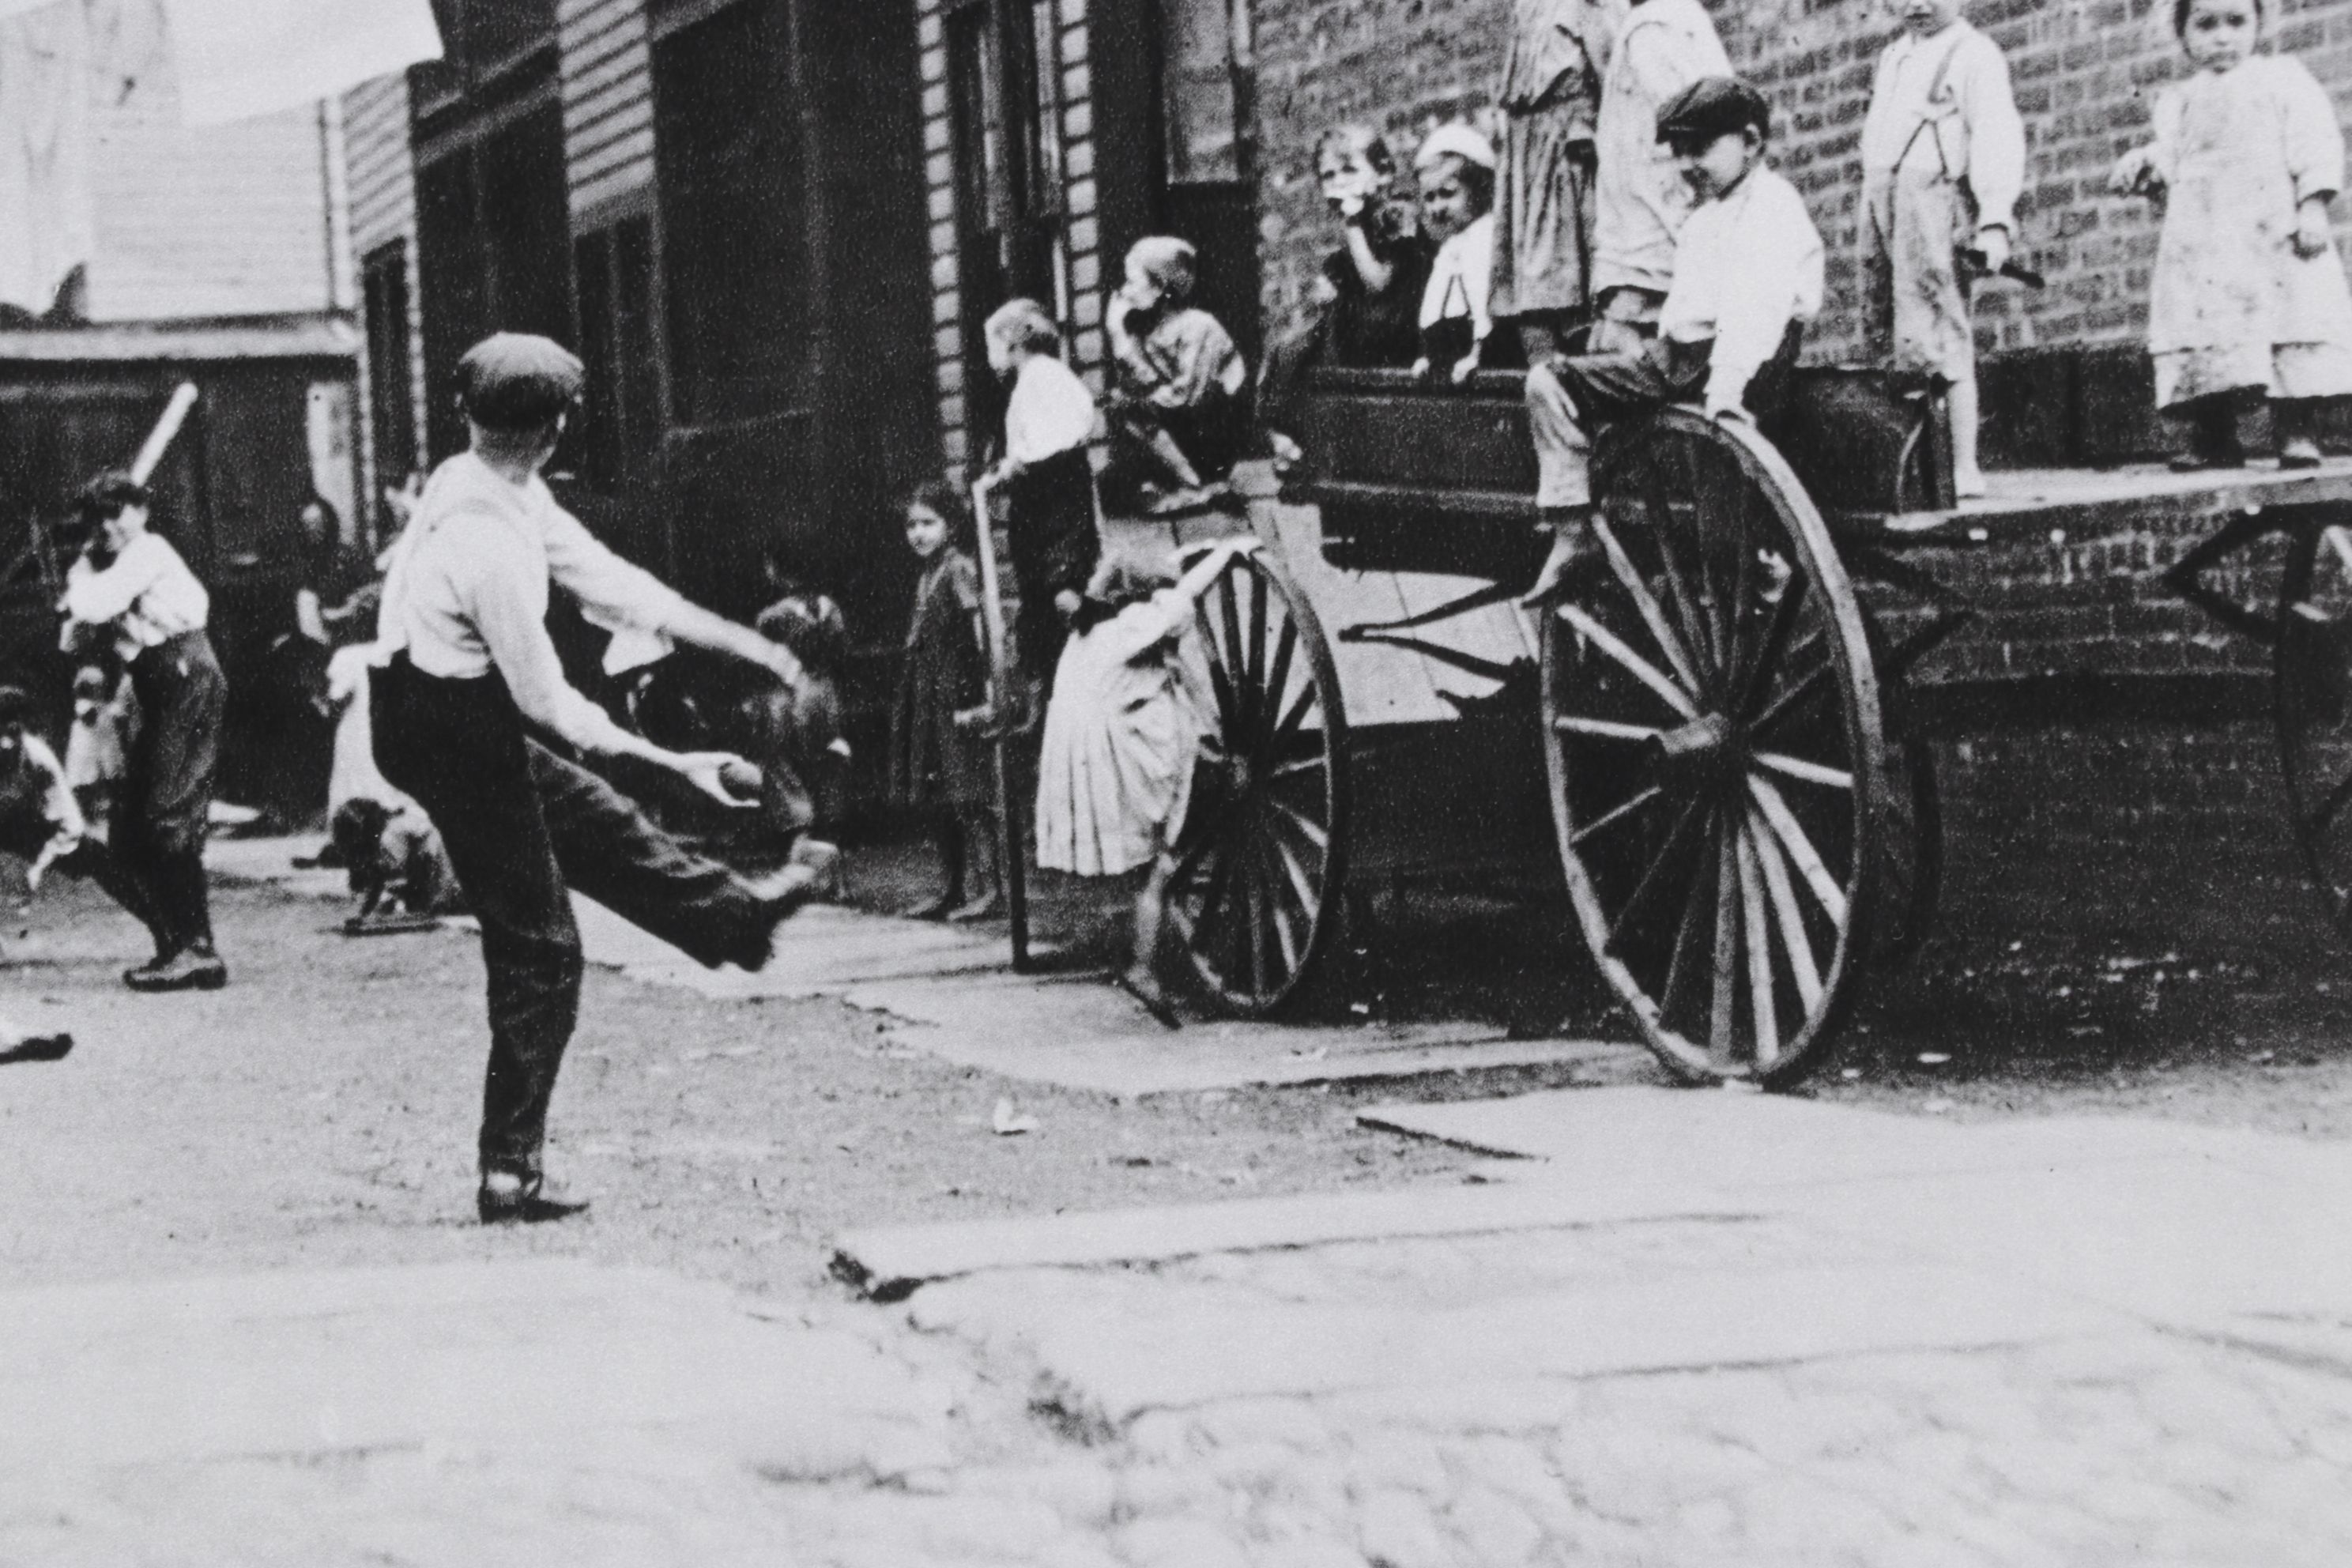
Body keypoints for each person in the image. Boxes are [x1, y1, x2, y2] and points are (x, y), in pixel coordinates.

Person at [370, 332, 825, 1225]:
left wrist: (754, 646)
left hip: (439, 710)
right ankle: (509, 1171)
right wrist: (676, 761)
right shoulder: (485, 538)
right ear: (559, 427)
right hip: (445, 728)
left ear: (470, 416)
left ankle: (738, 919)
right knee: (542, 946)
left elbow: (614, 584)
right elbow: (552, 707)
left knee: (598, 820)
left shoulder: (490, 481)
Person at [1520, 76, 1825, 603]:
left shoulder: (1772, 208)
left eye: (1700, 149)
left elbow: (1754, 312)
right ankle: (1574, 529)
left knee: (1720, 488)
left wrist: (1726, 391)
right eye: (1679, 152)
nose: (1687, 165)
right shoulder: (1705, 219)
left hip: (1745, 365)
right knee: (1549, 382)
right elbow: (1685, 308)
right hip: (1680, 359)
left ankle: (1756, 567)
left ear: (1751, 142)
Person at [2111, 0, 2352, 470]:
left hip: (2270, 233)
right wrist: (2144, 166)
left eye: (2236, 22)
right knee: (2207, 327)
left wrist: (2312, 206)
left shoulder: (2282, 78)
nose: (2222, 37)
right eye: (2205, 24)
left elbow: (2315, 139)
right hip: (2207, 238)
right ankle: (2215, 436)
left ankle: (2296, 430)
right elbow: (2170, 159)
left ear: (2258, 23)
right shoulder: (2177, 100)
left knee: (2290, 320)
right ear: (2182, 33)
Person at [1035, 541, 1246, 1027]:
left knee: (1151, 869)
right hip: (1122, 765)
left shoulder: (1088, 632)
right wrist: (1229, 551)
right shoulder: (1128, 629)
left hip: (1098, 766)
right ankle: (1144, 967)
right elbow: (1184, 594)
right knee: (1160, 867)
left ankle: (1160, 958)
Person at [58, 473, 232, 991]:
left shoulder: (148, 551)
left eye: (118, 512)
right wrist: (84, 574)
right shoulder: (111, 567)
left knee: (168, 814)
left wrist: (83, 574)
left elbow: (89, 608)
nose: (109, 525)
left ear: (141, 511)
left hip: (187, 677)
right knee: (130, 828)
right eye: (100, 517)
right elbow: (72, 639)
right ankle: (174, 943)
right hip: (155, 686)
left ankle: (197, 950)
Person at [1861, 0, 2026, 498]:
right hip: (1883, 197)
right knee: (1886, 327)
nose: (1916, 4)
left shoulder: (1973, 53)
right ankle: (1905, 466)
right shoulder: (1894, 56)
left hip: (1931, 201)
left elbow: (1997, 135)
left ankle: (1962, 465)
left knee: (1939, 328)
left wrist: (1994, 218)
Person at [1262, 126, 1438, 465]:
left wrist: (1353, 225)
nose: (1338, 183)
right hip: (1367, 320)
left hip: (1400, 324)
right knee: (1289, 349)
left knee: (1320, 346)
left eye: (1349, 170)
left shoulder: (1397, 214)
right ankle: (1284, 434)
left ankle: (1314, 437)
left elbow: (1379, 284)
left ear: (1384, 174)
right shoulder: (1362, 221)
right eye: (1328, 175)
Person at [888, 479, 1001, 922]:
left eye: (928, 523)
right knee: (942, 797)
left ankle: (992, 890)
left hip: (958, 691)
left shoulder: (959, 568)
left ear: (951, 525)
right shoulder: (927, 574)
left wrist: (990, 686)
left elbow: (981, 627)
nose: (917, 533)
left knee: (971, 795)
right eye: (911, 525)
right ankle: (952, 889)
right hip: (928, 695)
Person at [1589, 0, 1732, 352]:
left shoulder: (1654, 27)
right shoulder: (1661, 22)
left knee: (1643, 355)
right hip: (1644, 238)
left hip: (1654, 243)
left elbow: (1693, 120)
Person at [979, 297, 1102, 696]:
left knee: (1061, 591)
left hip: (1056, 500)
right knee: (1039, 598)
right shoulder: (1030, 382)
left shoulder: (1044, 378)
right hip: (1039, 503)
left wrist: (1011, 469)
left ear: (1013, 342)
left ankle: (1085, 670)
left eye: (992, 346)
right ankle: (1051, 695)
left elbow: (1050, 445)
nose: (990, 357)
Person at [0, 682, 171, 959]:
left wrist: (42, 861)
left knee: (101, 862)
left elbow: (69, 822)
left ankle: (165, 932)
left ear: (21, 725)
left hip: (38, 825)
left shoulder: (38, 758)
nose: (5, 734)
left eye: (11, 725)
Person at [1491, 0, 1615, 365]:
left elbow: (1615, 80)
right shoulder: (1524, 9)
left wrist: (1590, 124)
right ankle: (1546, 388)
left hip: (1570, 158)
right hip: (1527, 163)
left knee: (1581, 287)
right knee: (1529, 297)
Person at [1102, 236, 1250, 514]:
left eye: (1132, 281)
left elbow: (1187, 398)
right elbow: (1137, 388)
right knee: (1123, 407)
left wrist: (1122, 344)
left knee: (1135, 407)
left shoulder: (1198, 326)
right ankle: (1183, 482)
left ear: (1160, 287)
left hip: (1210, 430)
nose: (1124, 290)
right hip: (1181, 424)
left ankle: (1199, 485)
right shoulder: (1145, 331)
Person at [1412, 124, 1502, 386]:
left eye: (1448, 194)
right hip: (1453, 348)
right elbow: (1436, 299)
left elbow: (1483, 298)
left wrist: (1477, 354)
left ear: (1480, 189)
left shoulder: (1484, 238)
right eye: (1429, 198)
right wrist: (1428, 354)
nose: (1437, 207)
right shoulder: (1451, 245)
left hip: (1483, 348)